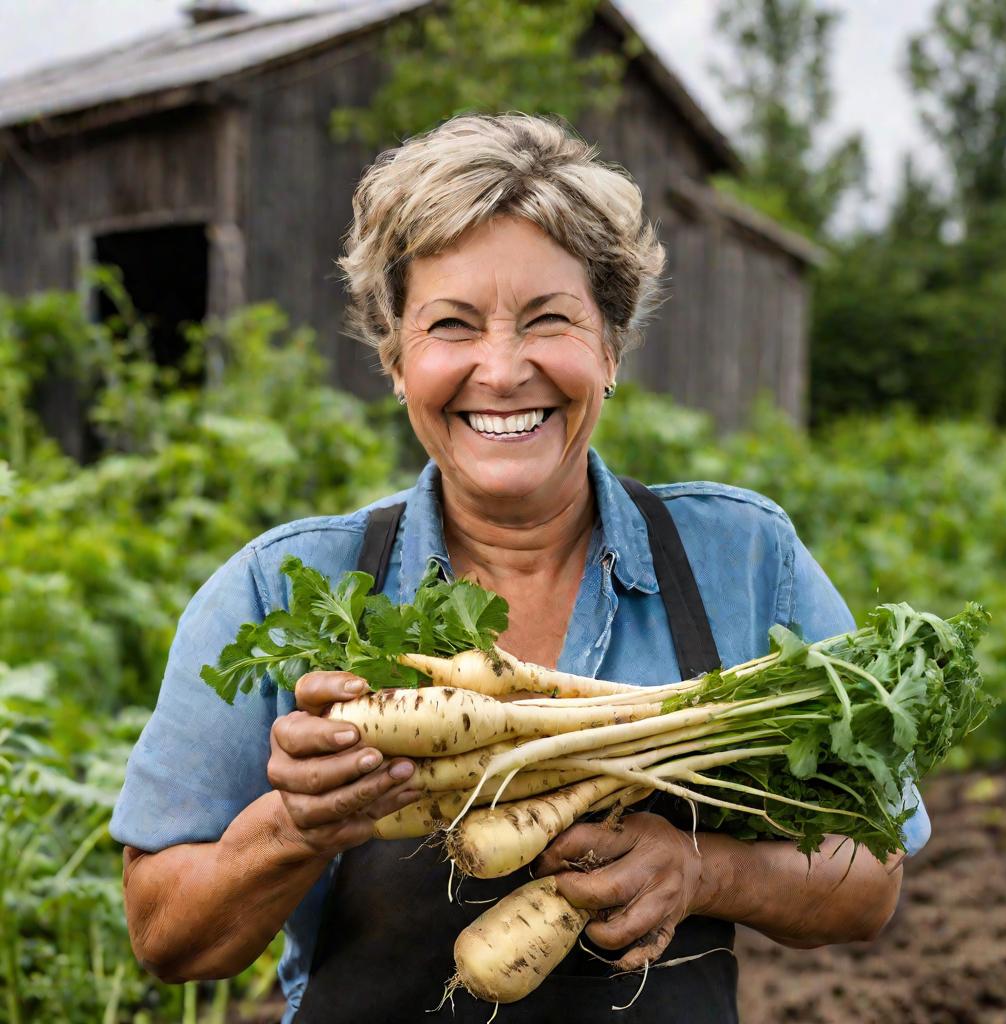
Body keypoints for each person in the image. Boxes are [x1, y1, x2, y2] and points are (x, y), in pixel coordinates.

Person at [110, 113, 930, 1023]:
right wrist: (293, 827)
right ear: (395, 359)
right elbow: (166, 937)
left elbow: (871, 879)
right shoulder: (287, 587)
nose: (501, 371)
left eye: (549, 320)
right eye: (451, 326)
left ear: (609, 349)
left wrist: (705, 870)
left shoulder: (741, 560)